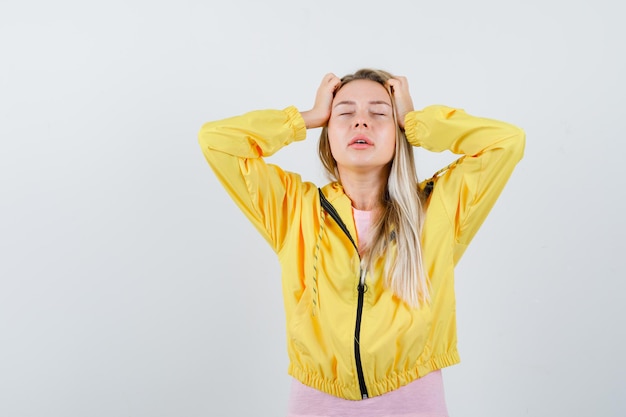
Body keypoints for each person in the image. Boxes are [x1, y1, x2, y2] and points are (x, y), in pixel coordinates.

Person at [198, 69, 525, 416]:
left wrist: (417, 122)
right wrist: (306, 118)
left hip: (413, 401)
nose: (361, 122)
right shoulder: (295, 210)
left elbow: (507, 141)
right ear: (327, 135)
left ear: (398, 130)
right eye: (345, 113)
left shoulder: (437, 209)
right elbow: (216, 140)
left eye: (379, 113)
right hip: (316, 403)